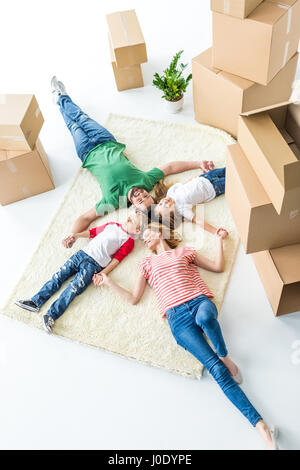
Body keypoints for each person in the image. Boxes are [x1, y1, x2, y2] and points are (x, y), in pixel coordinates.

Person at [93, 223, 279, 450]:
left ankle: (224, 355)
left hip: (199, 302)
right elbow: (134, 298)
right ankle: (261, 427)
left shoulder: (184, 251)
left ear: (159, 232)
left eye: (147, 233)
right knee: (217, 372)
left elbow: (218, 267)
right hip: (177, 319)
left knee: (206, 320)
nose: (145, 238)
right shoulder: (146, 264)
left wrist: (219, 240)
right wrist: (108, 281)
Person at [50, 77, 217, 249]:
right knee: (81, 117)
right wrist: (198, 163)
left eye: (139, 199)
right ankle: (62, 97)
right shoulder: (144, 180)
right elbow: (170, 167)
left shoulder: (114, 200)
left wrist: (73, 235)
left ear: (134, 208)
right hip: (106, 140)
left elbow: (85, 218)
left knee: (73, 126)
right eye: (145, 195)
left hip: (86, 152)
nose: (140, 193)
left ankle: (60, 98)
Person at [15, 212, 143, 334]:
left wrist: (102, 273)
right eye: (129, 217)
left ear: (137, 230)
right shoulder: (111, 225)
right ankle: (35, 302)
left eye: (131, 221)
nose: (127, 219)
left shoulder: (128, 241)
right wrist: (76, 235)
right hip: (80, 254)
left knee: (73, 288)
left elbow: (116, 261)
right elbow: (92, 232)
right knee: (58, 276)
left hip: (93, 265)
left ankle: (51, 315)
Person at [155, 167, 227, 235]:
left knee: (227, 170)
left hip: (205, 177)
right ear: (173, 213)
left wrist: (198, 175)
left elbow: (185, 183)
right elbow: (198, 221)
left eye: (160, 204)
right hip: (213, 188)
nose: (164, 202)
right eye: (166, 207)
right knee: (232, 180)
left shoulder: (170, 192)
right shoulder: (181, 209)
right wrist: (216, 232)